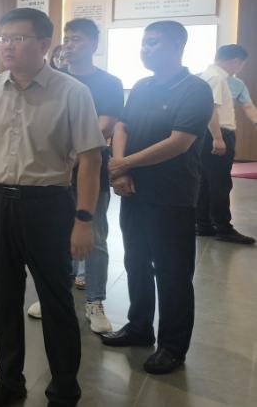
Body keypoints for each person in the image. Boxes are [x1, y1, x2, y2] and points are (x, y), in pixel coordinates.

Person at [0, 8, 105, 407]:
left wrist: (84, 220)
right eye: (4, 38)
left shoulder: (73, 92)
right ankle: (9, 381)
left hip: (49, 205)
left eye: (18, 38)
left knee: (56, 299)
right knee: (6, 298)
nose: (7, 45)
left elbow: (91, 161)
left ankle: (64, 387)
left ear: (44, 44)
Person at [102, 20, 213, 375]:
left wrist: (124, 163)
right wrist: (121, 170)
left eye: (154, 43)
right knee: (135, 261)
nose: (146, 49)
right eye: (144, 43)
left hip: (172, 196)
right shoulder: (142, 86)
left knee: (172, 271)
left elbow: (179, 142)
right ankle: (139, 327)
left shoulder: (195, 89)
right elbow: (122, 126)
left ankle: (172, 346)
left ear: (178, 46)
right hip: (133, 190)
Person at [27, 19, 124, 334]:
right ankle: (57, 296)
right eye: (67, 39)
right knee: (56, 238)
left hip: (90, 173)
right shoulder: (52, 80)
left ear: (94, 44)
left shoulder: (109, 83)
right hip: (53, 175)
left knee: (94, 237)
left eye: (77, 39)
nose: (69, 45)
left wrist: (67, 148)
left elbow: (103, 127)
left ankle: (95, 301)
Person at [195, 44, 256, 244]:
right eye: (241, 64)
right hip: (218, 133)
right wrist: (218, 137)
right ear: (236, 61)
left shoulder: (209, 76)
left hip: (208, 135)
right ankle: (223, 228)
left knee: (205, 182)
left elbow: (248, 106)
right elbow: (210, 109)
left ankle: (203, 225)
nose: (241, 68)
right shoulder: (216, 77)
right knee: (220, 183)